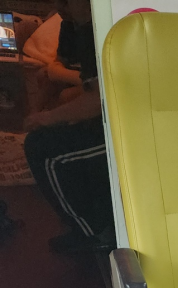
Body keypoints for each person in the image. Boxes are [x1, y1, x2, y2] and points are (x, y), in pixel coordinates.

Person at [23, 0, 115, 253]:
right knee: (46, 134)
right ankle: (97, 218)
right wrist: (38, 114)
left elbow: (99, 99)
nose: (59, 7)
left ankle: (95, 234)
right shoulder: (75, 26)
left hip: (127, 127)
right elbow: (59, 74)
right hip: (109, 114)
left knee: (45, 151)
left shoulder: (98, 29)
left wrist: (49, 118)